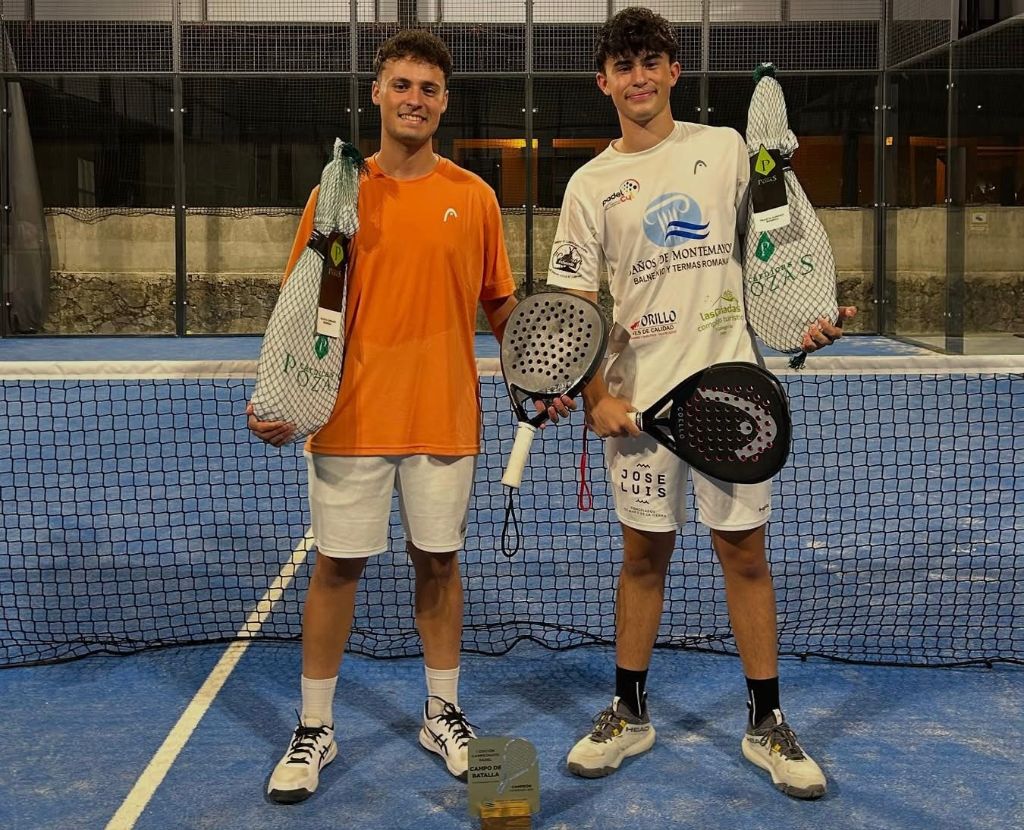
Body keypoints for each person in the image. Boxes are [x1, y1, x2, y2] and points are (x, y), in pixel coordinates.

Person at [247, 29, 571, 804]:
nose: (414, 100)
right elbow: (302, 307)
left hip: (443, 418)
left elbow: (500, 304)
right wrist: (281, 399)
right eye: (401, 85)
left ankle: (441, 714)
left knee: (440, 564)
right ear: (377, 93)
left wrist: (539, 374)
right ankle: (315, 728)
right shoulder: (337, 195)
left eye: (428, 88)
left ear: (444, 101)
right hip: (350, 419)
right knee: (338, 568)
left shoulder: (475, 197)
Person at [545, 7, 856, 800]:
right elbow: (575, 306)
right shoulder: (589, 185)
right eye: (624, 65)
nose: (639, 77)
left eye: (651, 61)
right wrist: (594, 395)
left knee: (743, 556)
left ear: (674, 71)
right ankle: (629, 712)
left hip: (730, 395)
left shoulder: (723, 150)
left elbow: (774, 251)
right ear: (603, 81)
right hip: (638, 407)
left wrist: (801, 321)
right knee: (642, 558)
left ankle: (766, 722)